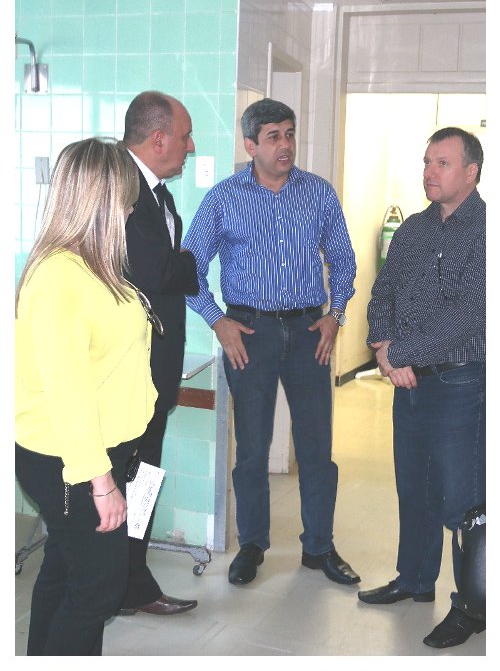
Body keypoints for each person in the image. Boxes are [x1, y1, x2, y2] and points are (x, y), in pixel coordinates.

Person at [183, 98, 360, 587]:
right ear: (250, 145)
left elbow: (343, 259)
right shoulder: (224, 198)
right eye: (274, 136)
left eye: (290, 133)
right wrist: (217, 320)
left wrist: (335, 316)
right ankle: (252, 545)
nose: (285, 145)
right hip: (249, 334)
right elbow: (188, 268)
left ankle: (319, 547)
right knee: (252, 449)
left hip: (309, 334)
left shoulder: (318, 193)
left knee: (316, 448)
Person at [15, 138, 158, 655]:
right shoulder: (59, 277)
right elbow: (69, 393)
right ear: (100, 201)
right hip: (71, 461)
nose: (130, 209)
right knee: (98, 588)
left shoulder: (92, 264)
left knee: (65, 570)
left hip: (93, 452)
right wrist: (101, 483)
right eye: (125, 199)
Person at [358, 127, 486, 649]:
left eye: (442, 163)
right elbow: (382, 291)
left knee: (463, 504)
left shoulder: (486, 231)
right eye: (427, 162)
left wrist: (401, 352)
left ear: (471, 172)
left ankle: (472, 607)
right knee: (414, 490)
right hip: (409, 383)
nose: (429, 172)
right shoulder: (413, 228)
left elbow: (472, 313)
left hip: (461, 383)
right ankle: (413, 580)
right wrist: (384, 346)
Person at [118, 91, 199, 616]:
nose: (191, 147)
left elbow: (169, 270)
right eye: (185, 137)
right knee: (122, 480)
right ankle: (120, 583)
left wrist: (179, 266)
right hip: (127, 372)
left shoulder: (159, 194)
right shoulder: (119, 189)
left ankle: (134, 581)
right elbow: (155, 273)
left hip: (156, 370)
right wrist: (185, 265)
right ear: (159, 138)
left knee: (145, 476)